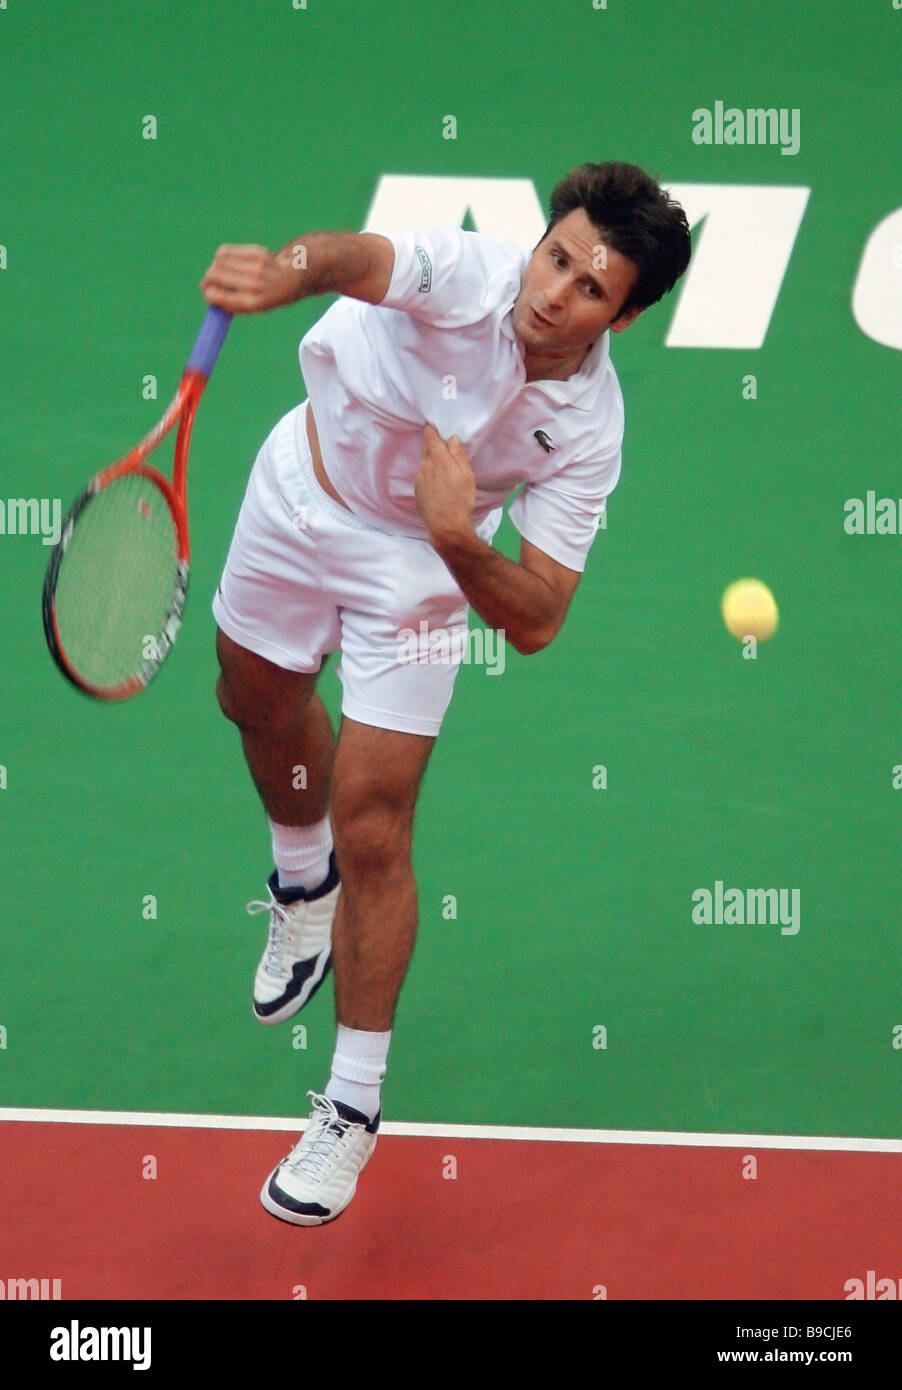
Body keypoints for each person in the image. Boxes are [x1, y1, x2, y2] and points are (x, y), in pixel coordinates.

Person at [200, 161, 691, 1226]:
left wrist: (457, 535)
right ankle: (300, 886)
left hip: (422, 576)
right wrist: (281, 273)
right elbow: (347, 258)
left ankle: (350, 1107)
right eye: (556, 257)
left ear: (629, 314)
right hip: (300, 488)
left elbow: (537, 617)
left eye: (590, 287)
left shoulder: (590, 431)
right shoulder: (464, 270)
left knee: (374, 823)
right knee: (254, 699)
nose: (554, 290)